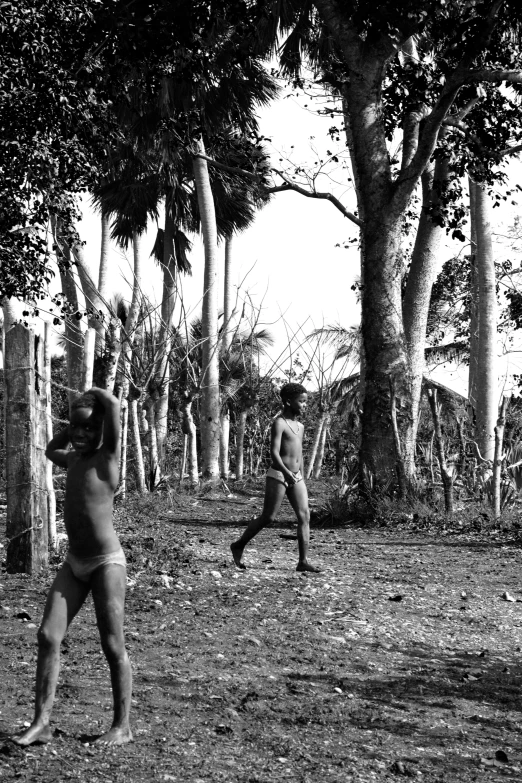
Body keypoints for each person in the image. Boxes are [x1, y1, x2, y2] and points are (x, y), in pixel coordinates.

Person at [13, 388, 132, 747]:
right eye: (75, 430)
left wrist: (91, 395)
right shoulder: (74, 459)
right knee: (48, 636)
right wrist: (76, 422)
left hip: (106, 563)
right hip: (75, 562)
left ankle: (122, 726)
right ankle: (41, 723)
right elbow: (51, 449)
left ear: (103, 432)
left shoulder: (107, 458)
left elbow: (112, 406)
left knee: (112, 645)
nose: (80, 436)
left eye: (89, 430)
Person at [230, 382, 320, 573]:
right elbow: (274, 453)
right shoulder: (279, 423)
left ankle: (303, 561)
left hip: (296, 477)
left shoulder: (300, 426)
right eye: (301, 401)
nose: (305, 405)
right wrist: (287, 473)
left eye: (306, 402)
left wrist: (301, 474)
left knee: (305, 516)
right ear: (288, 402)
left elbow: (299, 453)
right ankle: (238, 545)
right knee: (268, 517)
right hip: (278, 474)